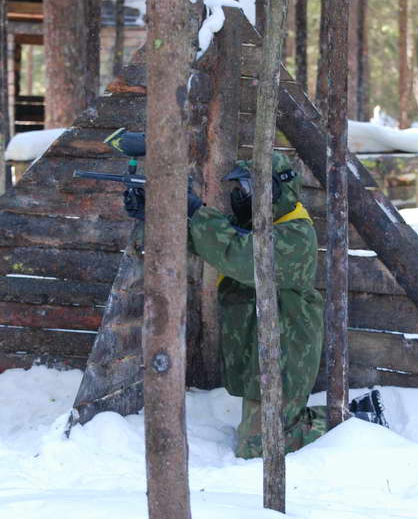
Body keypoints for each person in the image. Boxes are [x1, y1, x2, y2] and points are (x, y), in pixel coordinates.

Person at [124, 150, 384, 458]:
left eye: (248, 188)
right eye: (240, 188)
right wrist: (153, 215)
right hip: (263, 348)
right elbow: (205, 240)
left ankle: (358, 420)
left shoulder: (296, 234)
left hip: (287, 349)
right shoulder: (261, 226)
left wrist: (194, 209)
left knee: (258, 448)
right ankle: (330, 417)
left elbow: (241, 255)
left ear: (274, 190)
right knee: (261, 435)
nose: (240, 195)